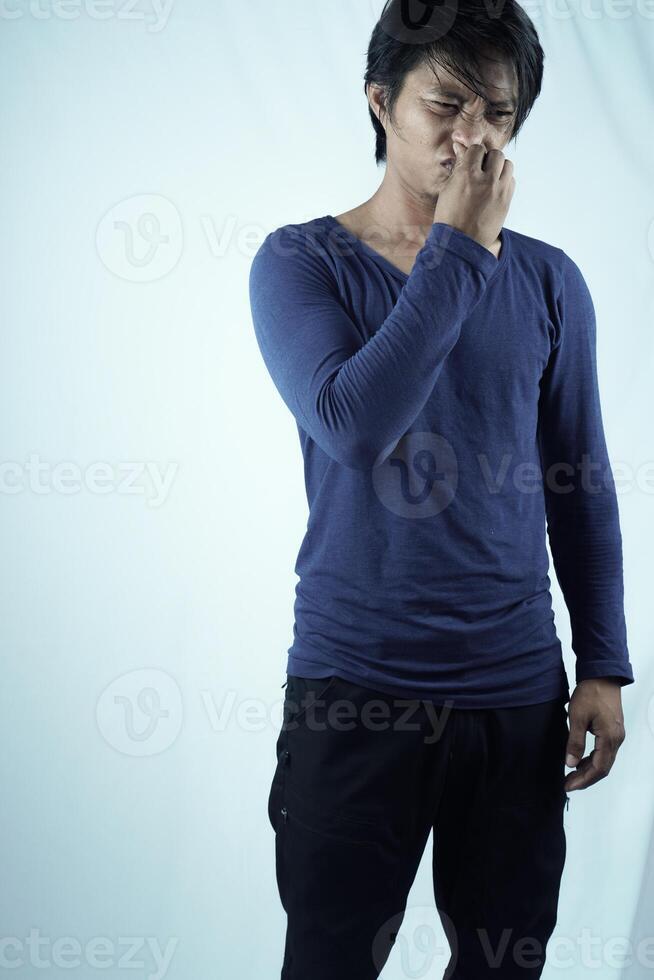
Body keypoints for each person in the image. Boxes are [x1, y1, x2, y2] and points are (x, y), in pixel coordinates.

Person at [248, 1, 635, 977]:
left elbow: (579, 480)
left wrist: (604, 660)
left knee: (503, 964)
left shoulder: (551, 283)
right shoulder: (302, 262)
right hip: (353, 689)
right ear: (382, 103)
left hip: (514, 694)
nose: (472, 137)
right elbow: (353, 423)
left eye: (496, 114)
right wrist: (458, 249)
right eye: (446, 105)